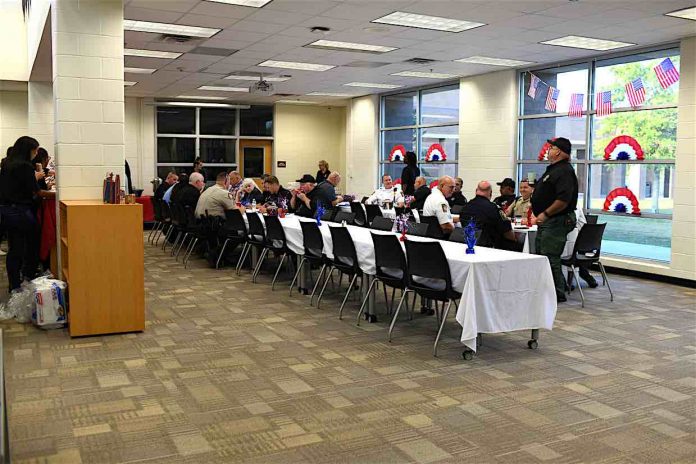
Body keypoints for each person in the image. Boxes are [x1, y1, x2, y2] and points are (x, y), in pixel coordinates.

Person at [531, 137, 579, 303]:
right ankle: (548, 288)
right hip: (549, 220)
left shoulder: (564, 171)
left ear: (558, 151)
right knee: (542, 254)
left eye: (550, 148)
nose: (548, 150)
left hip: (556, 219)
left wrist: (545, 214)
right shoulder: (554, 169)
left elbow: (563, 200)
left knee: (550, 256)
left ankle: (557, 292)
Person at [0, 136, 41, 291]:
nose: (36, 154)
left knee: (14, 249)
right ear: (28, 150)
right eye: (35, 150)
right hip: (21, 211)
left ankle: (14, 284)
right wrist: (35, 177)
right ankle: (28, 276)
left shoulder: (7, 163)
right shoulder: (25, 166)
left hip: (6, 210)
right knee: (31, 246)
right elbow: (35, 190)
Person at [460, 181, 520, 251]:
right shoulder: (494, 208)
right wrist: (515, 239)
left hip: (467, 245)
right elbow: (507, 233)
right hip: (490, 248)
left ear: (476, 191)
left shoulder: (465, 207)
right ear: (490, 193)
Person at [564, 206, 599, 288]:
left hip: (576, 241)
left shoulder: (572, 206)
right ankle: (584, 273)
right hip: (585, 243)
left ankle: (565, 282)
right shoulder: (575, 205)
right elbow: (583, 223)